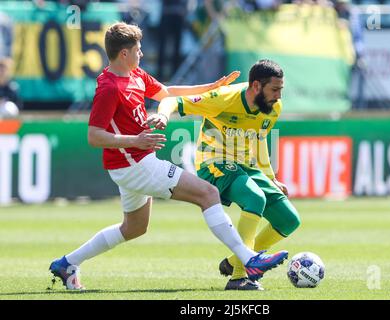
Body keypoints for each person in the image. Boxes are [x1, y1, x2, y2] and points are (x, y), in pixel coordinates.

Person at [48, 23, 288, 291]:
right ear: (124, 54)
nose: (142, 54)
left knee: (134, 228)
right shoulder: (109, 87)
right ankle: (248, 260)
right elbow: (94, 136)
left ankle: (67, 263)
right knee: (207, 193)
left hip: (131, 164)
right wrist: (136, 141)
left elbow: (167, 92)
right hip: (135, 164)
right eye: (138, 50)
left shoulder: (135, 75)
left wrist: (211, 87)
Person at [149, 59, 301, 290]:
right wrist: (163, 116)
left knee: (289, 219)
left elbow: (259, 142)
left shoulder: (272, 108)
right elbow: (171, 100)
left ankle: (233, 262)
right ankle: (240, 277)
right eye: (275, 89)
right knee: (255, 198)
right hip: (213, 162)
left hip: (244, 164)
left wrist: (272, 179)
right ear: (256, 86)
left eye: (281, 89)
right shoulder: (224, 97)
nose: (279, 96)